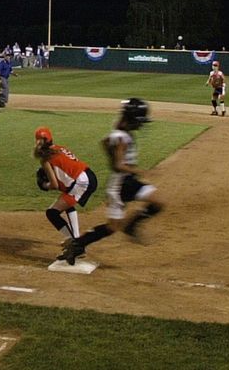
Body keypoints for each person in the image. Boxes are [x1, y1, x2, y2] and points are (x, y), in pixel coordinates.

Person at [60, 98, 162, 266]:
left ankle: (82, 242)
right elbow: (119, 165)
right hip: (121, 185)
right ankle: (81, 243)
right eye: (139, 120)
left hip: (125, 183)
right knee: (117, 224)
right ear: (132, 119)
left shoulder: (119, 132)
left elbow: (105, 141)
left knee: (116, 225)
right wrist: (140, 171)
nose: (141, 124)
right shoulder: (121, 137)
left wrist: (113, 155)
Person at [34, 126, 98, 263]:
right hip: (88, 176)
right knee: (67, 202)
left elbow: (54, 185)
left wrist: (44, 185)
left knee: (52, 213)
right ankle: (76, 241)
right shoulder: (60, 148)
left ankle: (76, 244)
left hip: (81, 182)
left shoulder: (45, 159)